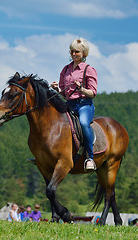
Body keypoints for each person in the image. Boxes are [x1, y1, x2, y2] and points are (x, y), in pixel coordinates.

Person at [51, 37, 98, 171]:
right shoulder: (65, 69)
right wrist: (57, 89)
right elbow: (64, 94)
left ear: (84, 53)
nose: (73, 54)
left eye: (77, 52)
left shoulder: (89, 69)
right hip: (69, 104)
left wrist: (81, 89)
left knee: (83, 123)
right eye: (72, 51)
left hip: (84, 105)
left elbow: (93, 93)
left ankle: (90, 157)